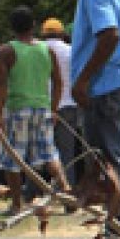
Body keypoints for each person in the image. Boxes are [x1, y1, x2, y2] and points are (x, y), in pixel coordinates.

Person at [59, 0, 120, 235]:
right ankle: (118, 223)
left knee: (109, 159)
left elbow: (110, 36)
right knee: (108, 156)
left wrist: (83, 79)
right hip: (109, 83)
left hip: (103, 86)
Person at [0, 6, 72, 214]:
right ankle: (66, 192)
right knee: (49, 154)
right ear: (34, 25)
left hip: (17, 108)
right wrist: (53, 108)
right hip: (42, 108)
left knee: (12, 158)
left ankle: (17, 203)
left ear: (12, 27)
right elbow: (58, 81)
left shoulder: (7, 50)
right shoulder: (47, 50)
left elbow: (0, 84)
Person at [39, 18, 81, 187]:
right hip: (69, 105)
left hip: (45, 105)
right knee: (67, 153)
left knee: (40, 152)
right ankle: (68, 192)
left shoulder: (40, 50)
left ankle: (33, 192)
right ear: (62, 33)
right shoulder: (71, 51)